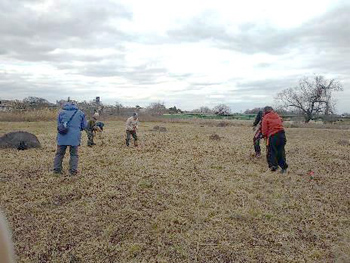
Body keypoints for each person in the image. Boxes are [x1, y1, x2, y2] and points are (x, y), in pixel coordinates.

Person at [53, 101, 87, 176]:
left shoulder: (61, 113)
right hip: (74, 137)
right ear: (75, 105)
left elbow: (59, 125)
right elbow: (84, 126)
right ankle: (73, 171)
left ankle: (57, 169)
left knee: (59, 153)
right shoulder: (81, 113)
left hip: (62, 136)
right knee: (74, 154)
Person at [261, 106, 288, 173]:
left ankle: (273, 166)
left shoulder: (266, 117)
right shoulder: (277, 115)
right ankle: (284, 167)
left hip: (273, 136)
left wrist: (264, 135)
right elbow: (281, 120)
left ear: (265, 111)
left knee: (271, 151)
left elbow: (264, 129)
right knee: (281, 151)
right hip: (282, 135)